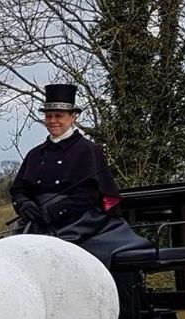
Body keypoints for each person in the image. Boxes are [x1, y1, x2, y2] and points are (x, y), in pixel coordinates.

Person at [10, 83, 122, 243]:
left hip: (78, 220)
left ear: (72, 117)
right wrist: (24, 204)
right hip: (36, 220)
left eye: (58, 116)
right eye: (49, 116)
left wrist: (57, 211)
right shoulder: (35, 154)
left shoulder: (88, 150)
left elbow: (89, 194)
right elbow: (19, 190)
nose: (52, 121)